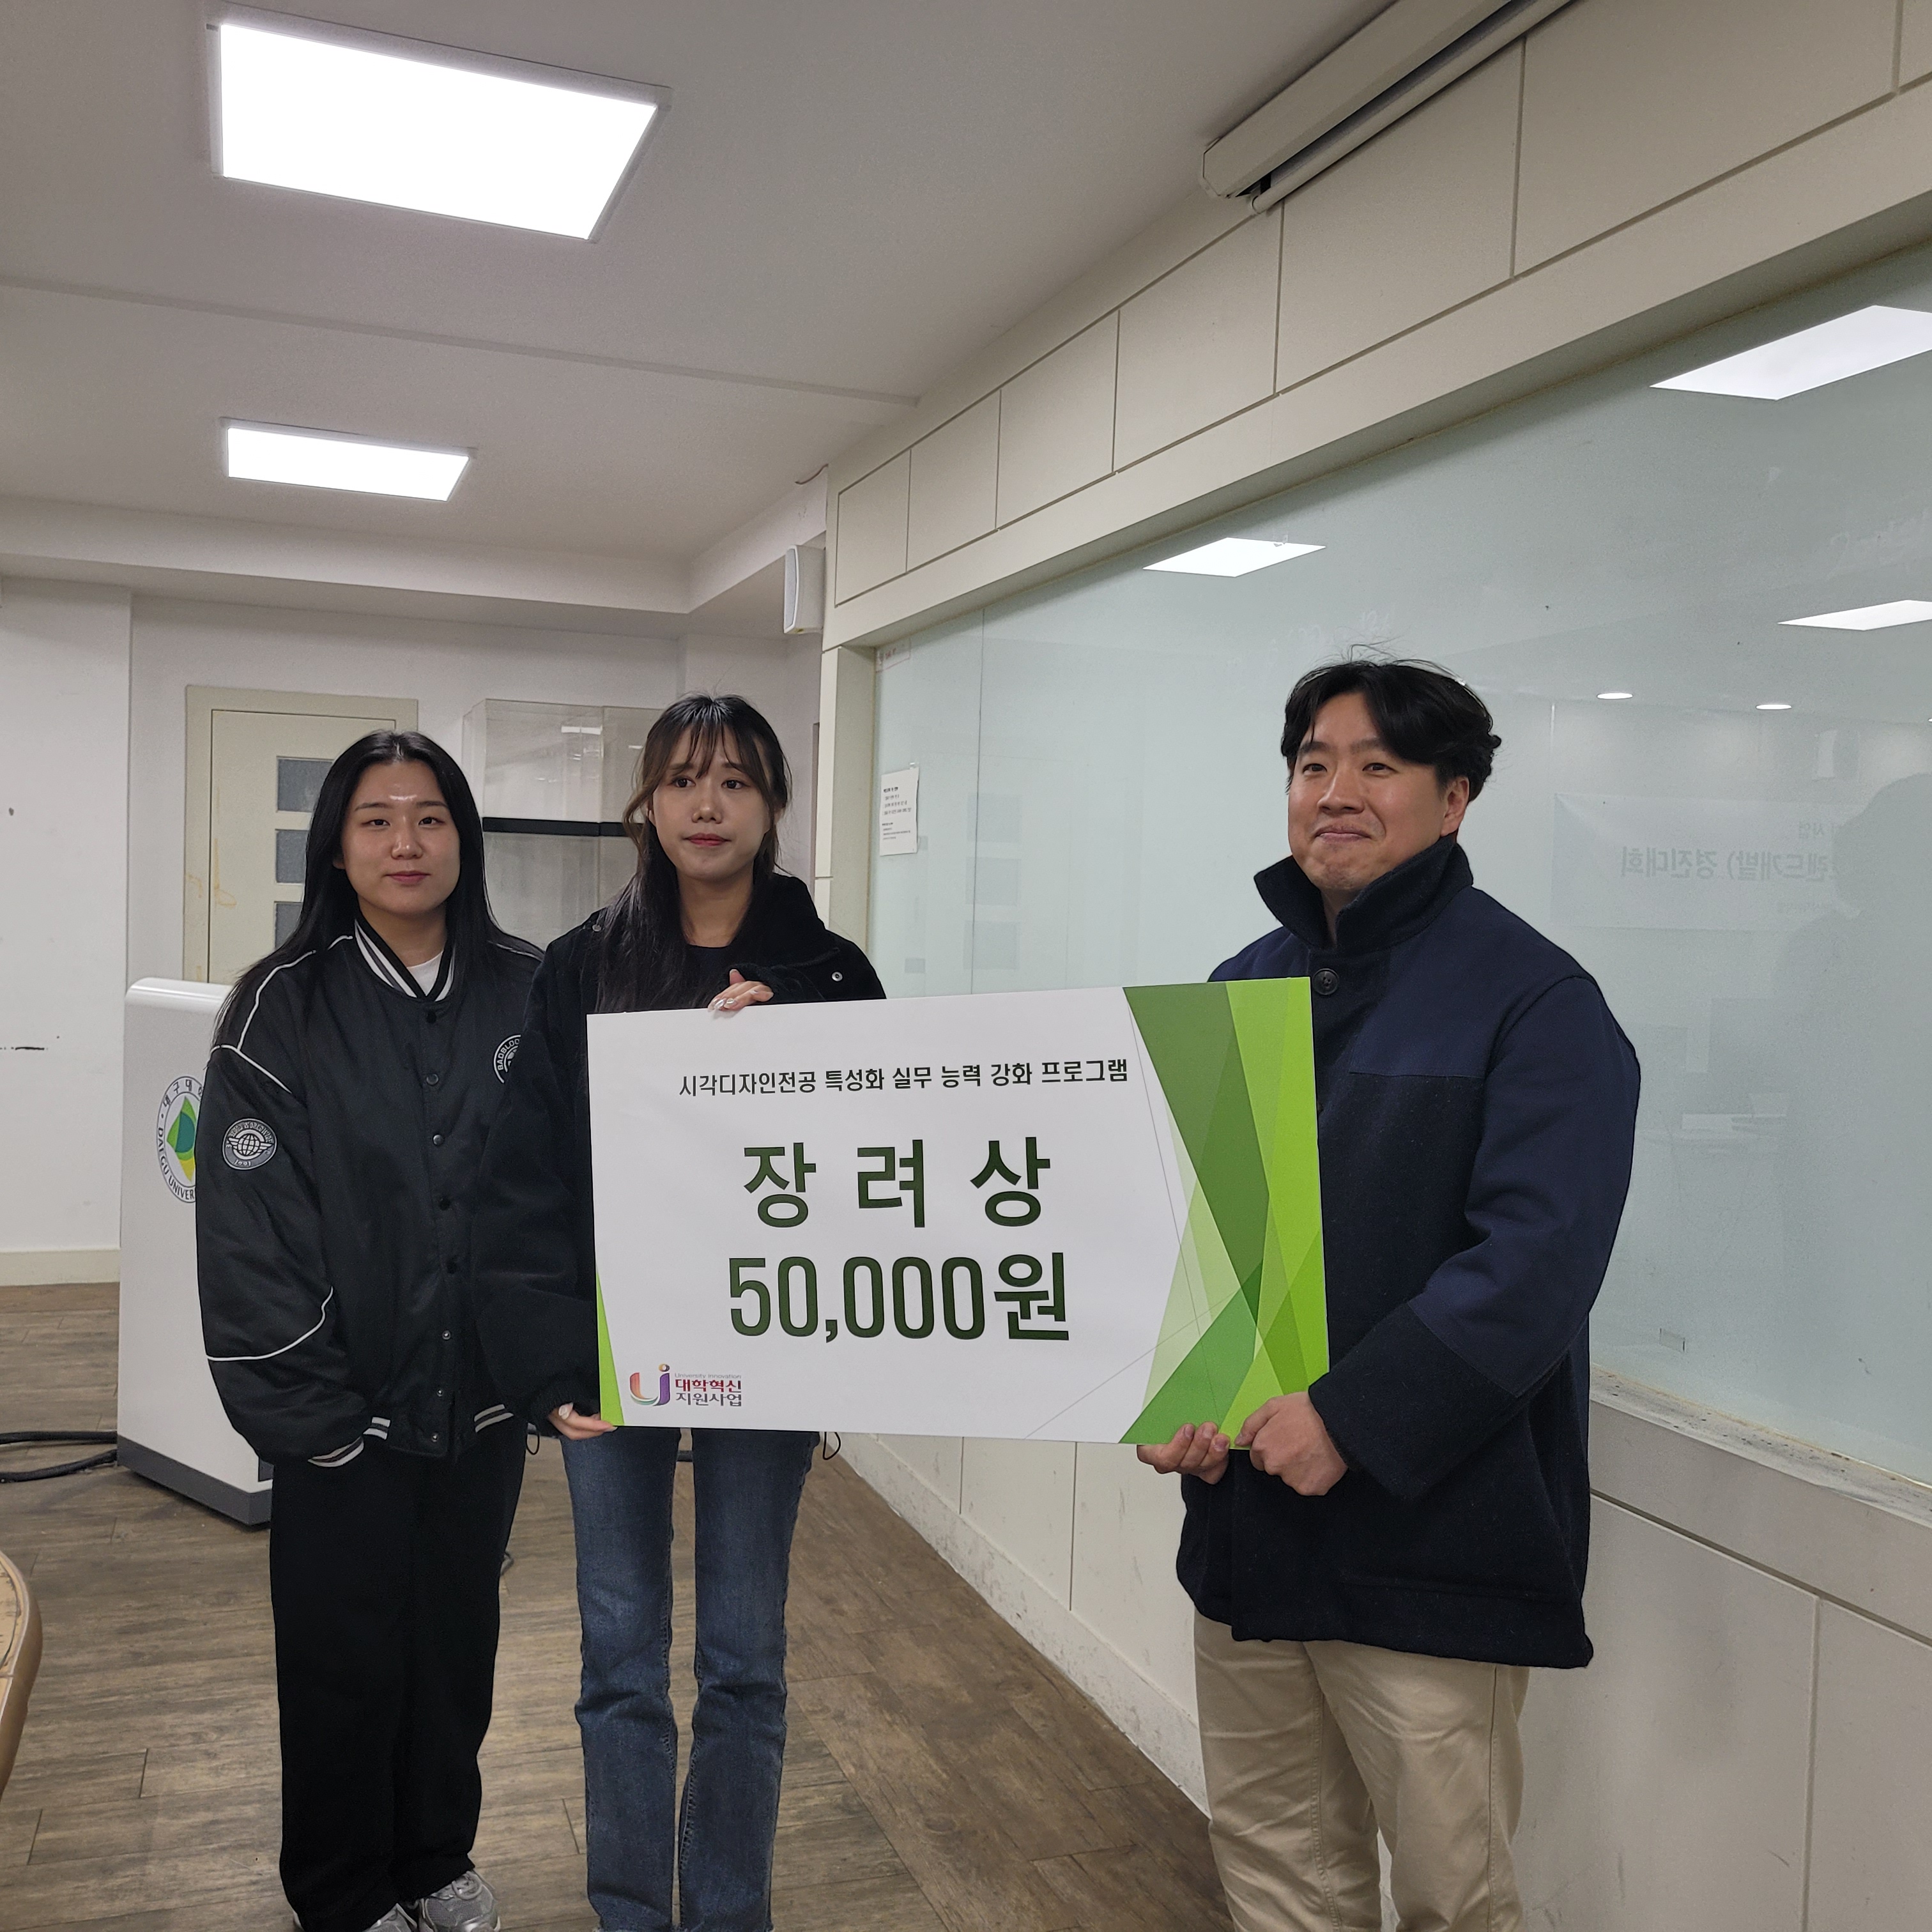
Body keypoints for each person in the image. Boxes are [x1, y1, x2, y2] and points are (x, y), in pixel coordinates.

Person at [1138, 658, 1639, 1932]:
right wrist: (1187, 1394)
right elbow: (1203, 1238)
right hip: (1249, 1532)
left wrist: (1351, 1419)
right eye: (1313, 764)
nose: (1336, 792)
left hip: (1432, 1546)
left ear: (1455, 798)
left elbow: (1535, 1265)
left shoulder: (1536, 1002)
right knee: (1275, 1873)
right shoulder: (1239, 986)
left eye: (1379, 766)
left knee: (1450, 1897)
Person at [470, 693, 884, 1932]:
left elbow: (879, 1169)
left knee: (746, 1661)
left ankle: (727, 1911)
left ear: (774, 807)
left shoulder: (831, 975)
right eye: (685, 780)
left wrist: (787, 1061)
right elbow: (526, 1179)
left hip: (770, 1349)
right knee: (620, 1660)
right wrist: (548, 1362)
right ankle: (629, 1913)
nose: (709, 806)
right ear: (646, 803)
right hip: (612, 1353)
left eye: (737, 782)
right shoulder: (583, 968)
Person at [196, 730, 539, 1932]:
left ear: (464, 839)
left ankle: (435, 1857)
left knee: (454, 1648)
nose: (407, 842)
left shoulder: (528, 987)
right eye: (377, 819)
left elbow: (575, 1180)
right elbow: (251, 1235)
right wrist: (318, 1419)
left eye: (431, 817)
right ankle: (343, 1891)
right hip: (346, 1415)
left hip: (482, 1406)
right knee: (343, 1663)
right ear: (336, 849)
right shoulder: (280, 1007)